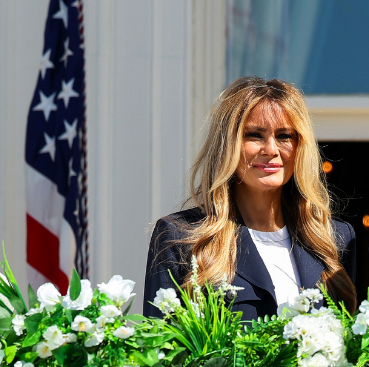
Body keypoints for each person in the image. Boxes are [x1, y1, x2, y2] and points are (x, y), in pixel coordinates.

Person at [143, 77, 356, 319]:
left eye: (285, 136)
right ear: (227, 144)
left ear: (300, 146)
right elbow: (161, 350)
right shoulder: (180, 237)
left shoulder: (333, 240)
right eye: (254, 135)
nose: (271, 149)